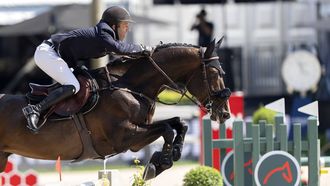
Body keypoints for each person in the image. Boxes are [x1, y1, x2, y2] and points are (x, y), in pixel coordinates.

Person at [22, 6, 150, 132]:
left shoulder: (106, 35)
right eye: (124, 25)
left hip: (56, 56)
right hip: (48, 53)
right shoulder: (103, 34)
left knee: (82, 83)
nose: (127, 29)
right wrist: (144, 48)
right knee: (73, 85)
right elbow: (120, 49)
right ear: (114, 26)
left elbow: (122, 50)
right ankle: (35, 109)